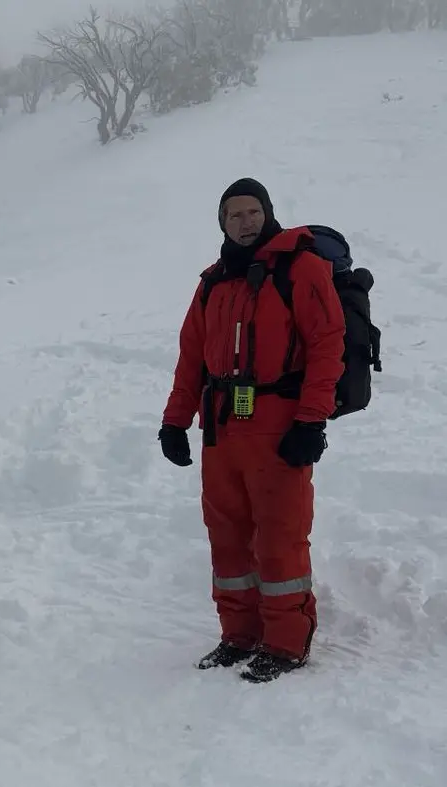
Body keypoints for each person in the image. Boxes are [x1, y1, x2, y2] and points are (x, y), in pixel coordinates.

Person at [158, 177, 346, 684]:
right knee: (228, 537)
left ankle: (285, 643)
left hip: (279, 427)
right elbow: (191, 358)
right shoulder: (212, 282)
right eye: (233, 215)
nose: (245, 222)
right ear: (222, 223)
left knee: (281, 536)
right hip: (221, 430)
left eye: (252, 212)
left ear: (267, 212)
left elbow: (328, 345)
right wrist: (174, 422)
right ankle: (238, 634)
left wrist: (311, 420)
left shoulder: (301, 268)